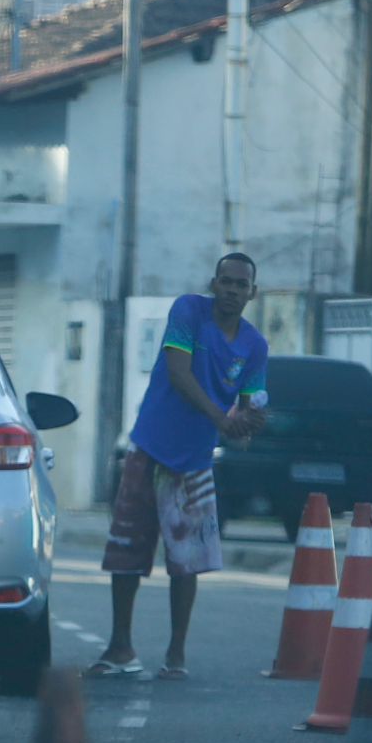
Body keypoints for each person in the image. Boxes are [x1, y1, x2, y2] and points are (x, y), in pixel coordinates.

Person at [87, 253, 269, 680]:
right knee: (127, 551)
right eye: (225, 281)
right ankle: (121, 647)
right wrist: (222, 418)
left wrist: (246, 425)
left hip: (195, 461)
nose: (231, 290)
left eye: (240, 285)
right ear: (213, 283)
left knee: (186, 562)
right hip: (149, 446)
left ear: (252, 293)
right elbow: (179, 373)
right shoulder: (188, 311)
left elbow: (252, 408)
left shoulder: (255, 346)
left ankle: (176, 655)